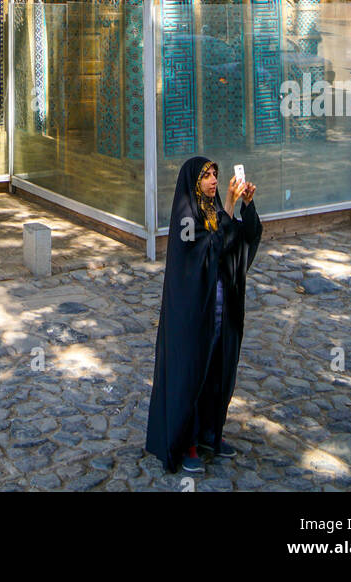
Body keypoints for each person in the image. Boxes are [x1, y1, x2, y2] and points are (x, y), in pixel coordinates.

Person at [145, 155, 261, 473]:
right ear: (193, 182)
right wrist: (229, 207)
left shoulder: (214, 211)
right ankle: (187, 442)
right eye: (206, 176)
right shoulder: (186, 216)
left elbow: (241, 241)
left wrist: (246, 207)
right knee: (192, 374)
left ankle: (211, 433)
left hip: (221, 312)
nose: (212, 180)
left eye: (215, 174)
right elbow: (208, 247)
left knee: (217, 371)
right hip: (194, 314)